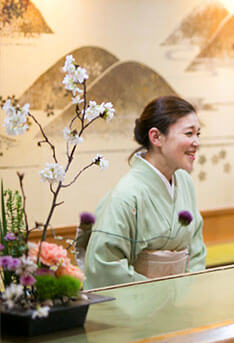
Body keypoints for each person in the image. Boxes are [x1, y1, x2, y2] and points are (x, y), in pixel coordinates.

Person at [83, 96, 206, 289]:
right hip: (139, 308)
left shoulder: (185, 182)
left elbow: (196, 248)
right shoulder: (127, 194)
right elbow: (104, 264)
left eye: (198, 134)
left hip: (180, 305)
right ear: (156, 137)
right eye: (189, 133)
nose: (196, 142)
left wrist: (185, 292)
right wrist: (158, 295)